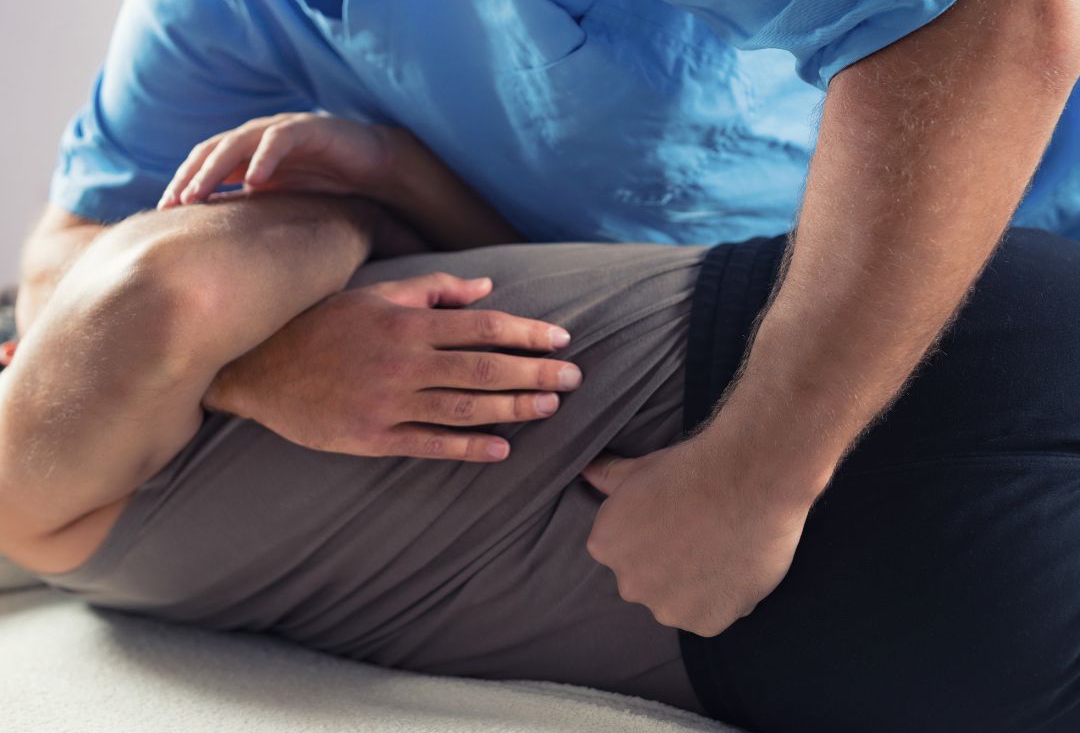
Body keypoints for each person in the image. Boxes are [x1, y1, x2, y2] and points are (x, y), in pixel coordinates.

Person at [5, 0, 1080, 641]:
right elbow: (63, 268)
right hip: (823, 333)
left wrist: (760, 472)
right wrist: (257, 364)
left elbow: (1007, 14)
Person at [3, 112, 1080, 733]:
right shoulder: (40, 493)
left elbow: (161, 296)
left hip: (821, 454)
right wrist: (252, 353)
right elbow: (177, 288)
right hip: (821, 533)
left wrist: (234, 359)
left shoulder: (60, 468)